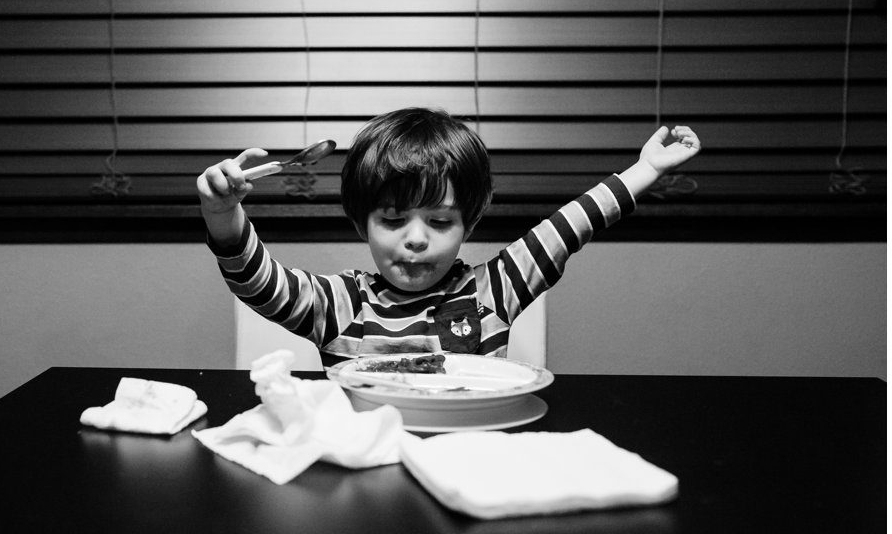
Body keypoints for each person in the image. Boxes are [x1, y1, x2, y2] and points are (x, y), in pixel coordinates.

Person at [197, 107, 700, 367]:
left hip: (472, 462)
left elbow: (572, 224)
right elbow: (258, 283)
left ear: (470, 224)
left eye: (440, 222)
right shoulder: (338, 304)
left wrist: (645, 169)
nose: (416, 239)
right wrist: (223, 212)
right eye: (392, 220)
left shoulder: (493, 290)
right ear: (360, 223)